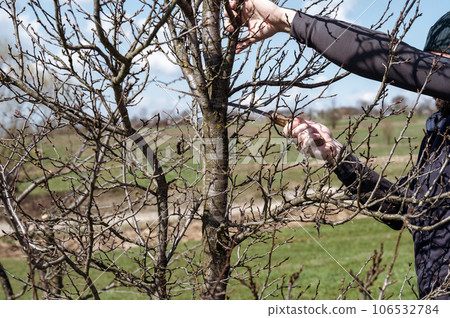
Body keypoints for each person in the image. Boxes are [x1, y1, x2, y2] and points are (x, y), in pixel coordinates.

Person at [225, 0, 450, 299]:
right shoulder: (439, 136)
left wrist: (285, 19)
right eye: (429, 62)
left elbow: (390, 58)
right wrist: (337, 156)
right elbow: (404, 210)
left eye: (439, 67)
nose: (430, 82)